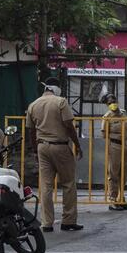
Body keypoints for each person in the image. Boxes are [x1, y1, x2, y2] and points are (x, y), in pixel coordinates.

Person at [26, 77, 83, 232]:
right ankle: (68, 221)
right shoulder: (61, 102)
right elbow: (69, 126)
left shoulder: (33, 104)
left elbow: (31, 131)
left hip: (42, 147)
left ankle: (46, 223)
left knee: (45, 186)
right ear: (56, 88)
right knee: (68, 184)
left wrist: (35, 151)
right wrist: (77, 145)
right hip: (60, 147)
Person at [100, 93, 127, 211]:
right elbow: (104, 135)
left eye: (113, 101)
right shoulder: (107, 117)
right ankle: (113, 200)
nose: (112, 104)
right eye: (109, 103)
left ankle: (122, 199)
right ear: (107, 104)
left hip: (125, 146)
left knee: (124, 174)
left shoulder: (123, 113)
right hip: (113, 146)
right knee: (113, 173)